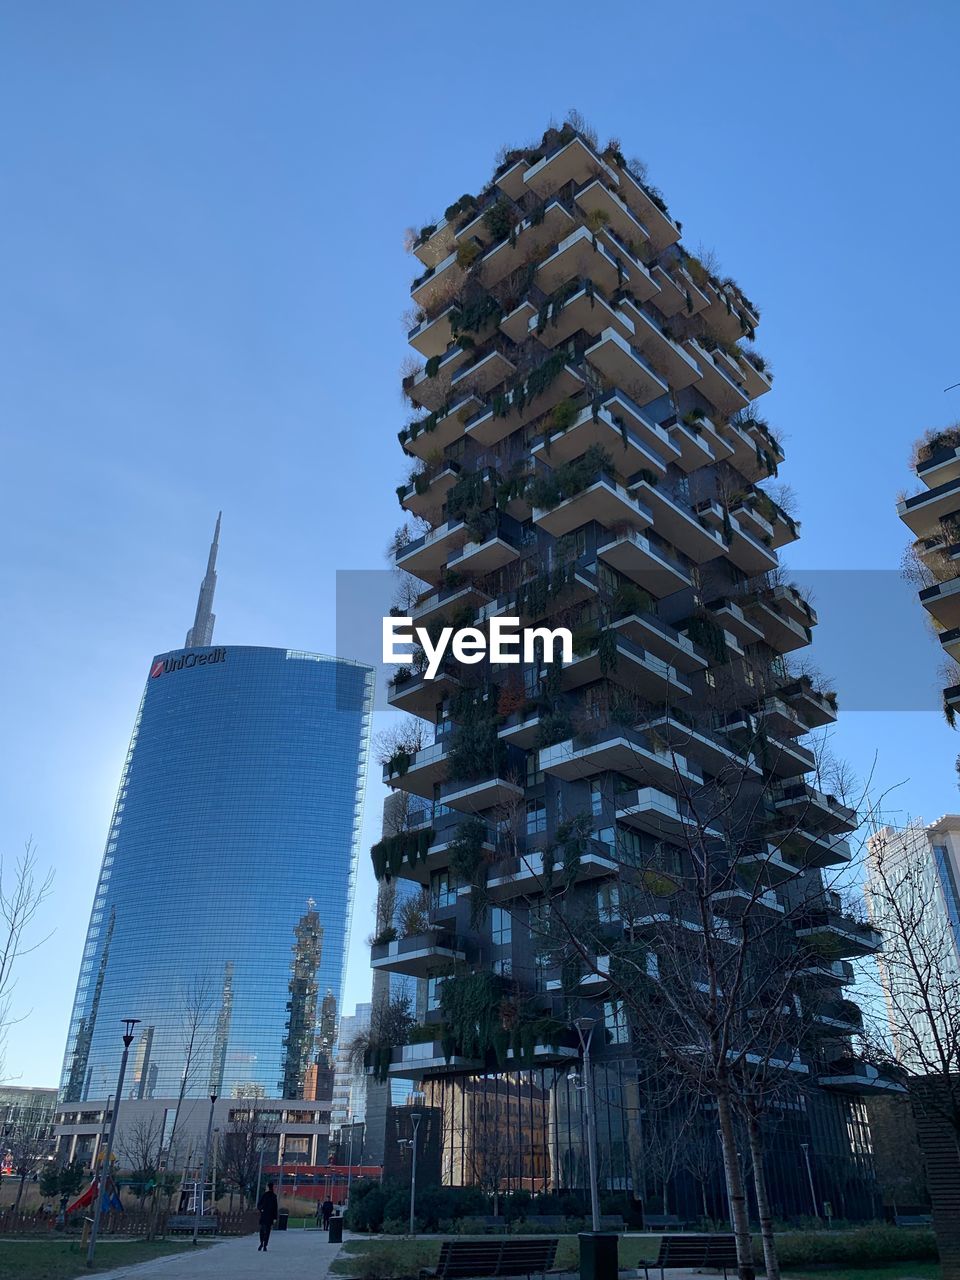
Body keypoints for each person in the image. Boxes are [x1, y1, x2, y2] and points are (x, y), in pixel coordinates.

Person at [257, 1181, 278, 1251]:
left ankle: (264, 1244)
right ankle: (263, 1243)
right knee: (265, 1230)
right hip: (266, 1215)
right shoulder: (266, 1195)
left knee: (265, 1230)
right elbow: (259, 1205)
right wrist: (261, 1209)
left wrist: (275, 1217)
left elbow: (275, 1207)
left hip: (267, 1215)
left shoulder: (271, 1196)